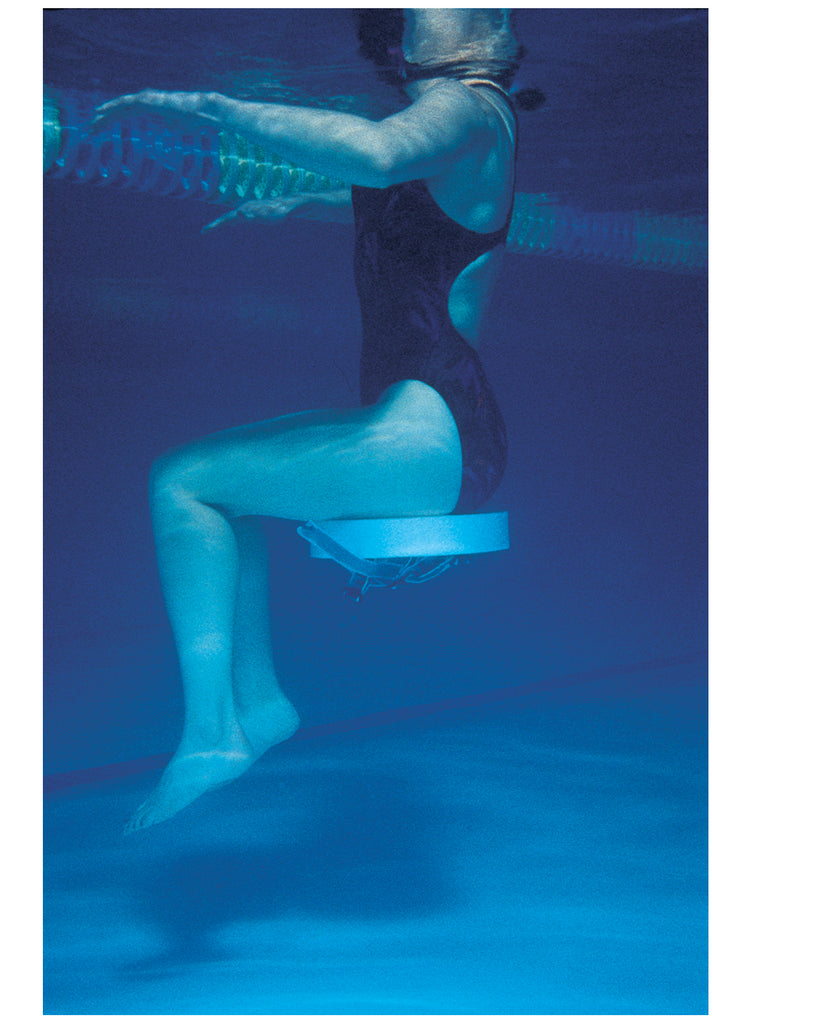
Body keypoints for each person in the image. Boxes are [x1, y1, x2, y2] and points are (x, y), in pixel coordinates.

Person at [89, 9, 523, 833]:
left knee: (182, 483)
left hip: (431, 428)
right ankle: (256, 705)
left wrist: (211, 106)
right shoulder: (470, 124)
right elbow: (402, 190)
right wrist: (303, 201)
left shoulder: (468, 105)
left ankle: (215, 733)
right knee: (218, 487)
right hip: (436, 423)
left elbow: (379, 154)